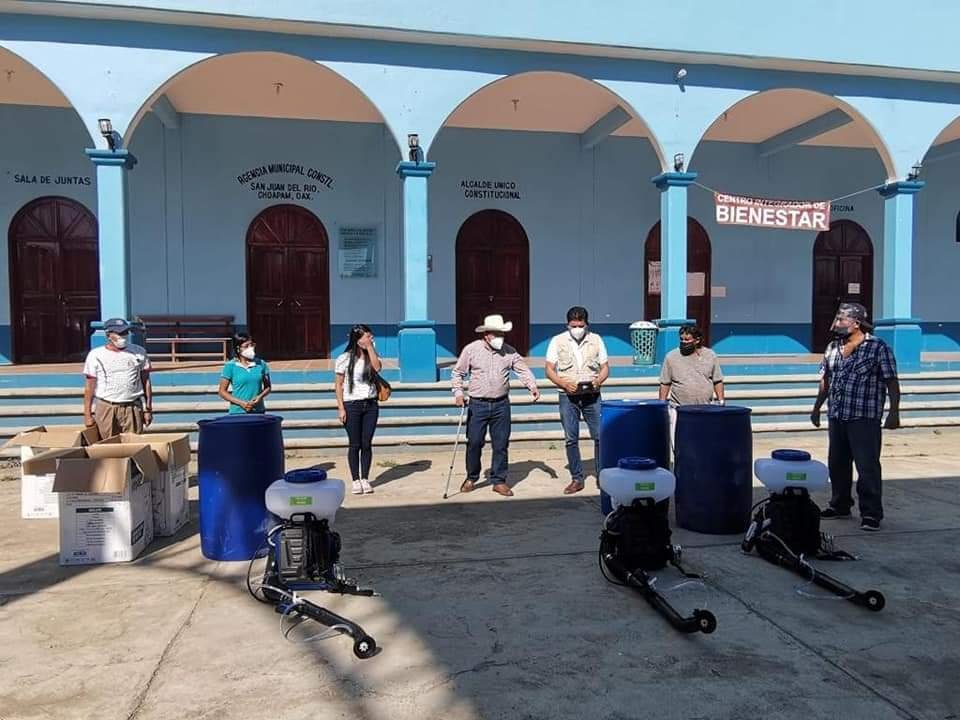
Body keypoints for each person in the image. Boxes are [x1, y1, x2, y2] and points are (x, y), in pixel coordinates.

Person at [810, 302, 900, 531]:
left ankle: (871, 513)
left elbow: (891, 381)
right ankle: (840, 505)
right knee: (837, 464)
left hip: (864, 417)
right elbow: (826, 381)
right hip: (838, 414)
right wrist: (817, 406)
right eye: (837, 319)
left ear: (856, 323)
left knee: (867, 466)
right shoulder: (833, 347)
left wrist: (894, 412)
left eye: (842, 320)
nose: (837, 324)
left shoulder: (878, 347)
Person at [452, 314, 541, 497]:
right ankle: (472, 476)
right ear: (486, 334)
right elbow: (458, 373)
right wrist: (458, 393)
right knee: (474, 442)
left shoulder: (509, 351)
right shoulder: (471, 350)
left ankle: (499, 480)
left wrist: (532, 386)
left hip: (501, 404)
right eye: (496, 334)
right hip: (478, 404)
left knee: (501, 444)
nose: (500, 337)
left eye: (502, 333)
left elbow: (522, 370)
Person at [545, 306, 609, 494]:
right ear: (568, 325)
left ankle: (601, 476)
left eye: (581, 325)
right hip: (567, 396)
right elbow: (549, 369)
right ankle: (577, 478)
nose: (577, 329)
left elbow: (605, 367)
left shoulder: (596, 340)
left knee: (599, 437)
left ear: (586, 324)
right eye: (574, 325)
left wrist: (598, 381)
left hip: (591, 395)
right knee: (571, 439)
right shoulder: (557, 341)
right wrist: (563, 383)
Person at [82, 318, 153, 438]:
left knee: (133, 447)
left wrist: (148, 409)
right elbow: (89, 387)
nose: (123, 337)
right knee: (107, 447)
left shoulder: (139, 352)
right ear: (108, 335)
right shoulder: (96, 355)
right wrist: (87, 415)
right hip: (107, 408)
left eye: (125, 333)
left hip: (132, 407)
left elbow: (146, 381)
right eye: (119, 333)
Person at [335, 324, 383, 495]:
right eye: (368, 337)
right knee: (355, 444)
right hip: (352, 404)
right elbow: (339, 385)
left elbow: (377, 368)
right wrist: (341, 408)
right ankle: (355, 479)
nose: (371, 339)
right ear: (358, 339)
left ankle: (365, 478)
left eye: (371, 336)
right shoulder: (344, 358)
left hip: (370, 404)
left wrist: (370, 348)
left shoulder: (371, 355)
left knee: (367, 443)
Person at [218, 332, 271, 414]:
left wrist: (259, 397)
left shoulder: (261, 364)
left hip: (258, 411)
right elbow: (222, 392)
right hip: (237, 412)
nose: (250, 348)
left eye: (251, 345)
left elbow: (268, 387)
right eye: (246, 346)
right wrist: (241, 403)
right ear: (238, 349)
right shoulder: (230, 366)